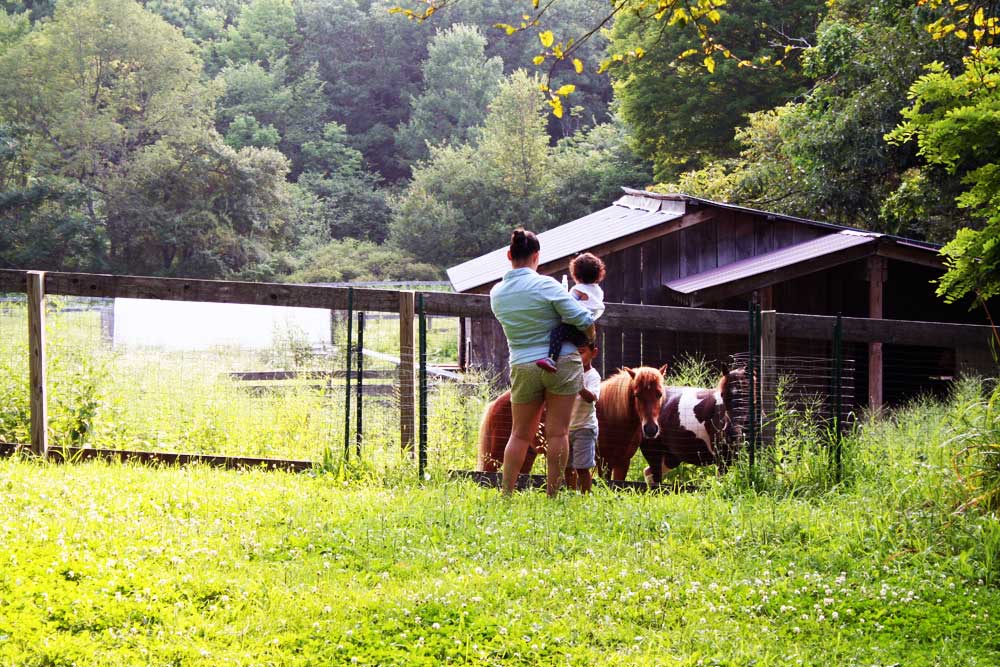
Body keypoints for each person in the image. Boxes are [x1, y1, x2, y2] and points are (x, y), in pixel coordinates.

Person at [490, 229, 596, 496]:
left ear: (509, 255)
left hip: (523, 364)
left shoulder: (497, 293)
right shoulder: (546, 285)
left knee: (519, 434)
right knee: (558, 433)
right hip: (561, 362)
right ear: (537, 256)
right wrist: (589, 337)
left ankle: (506, 494)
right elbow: (584, 319)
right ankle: (552, 493)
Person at [535, 252, 606, 373]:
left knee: (556, 333)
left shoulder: (578, 289)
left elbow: (567, 303)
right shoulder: (598, 291)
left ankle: (552, 359)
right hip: (587, 333)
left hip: (574, 327)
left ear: (576, 274)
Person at [566, 342, 600, 493]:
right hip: (566, 428)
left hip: (585, 428)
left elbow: (591, 397)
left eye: (582, 352)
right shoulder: (568, 373)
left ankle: (585, 497)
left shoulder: (593, 376)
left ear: (594, 353)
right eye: (574, 353)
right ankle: (570, 493)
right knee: (566, 466)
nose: (577, 357)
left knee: (582, 467)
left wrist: (578, 383)